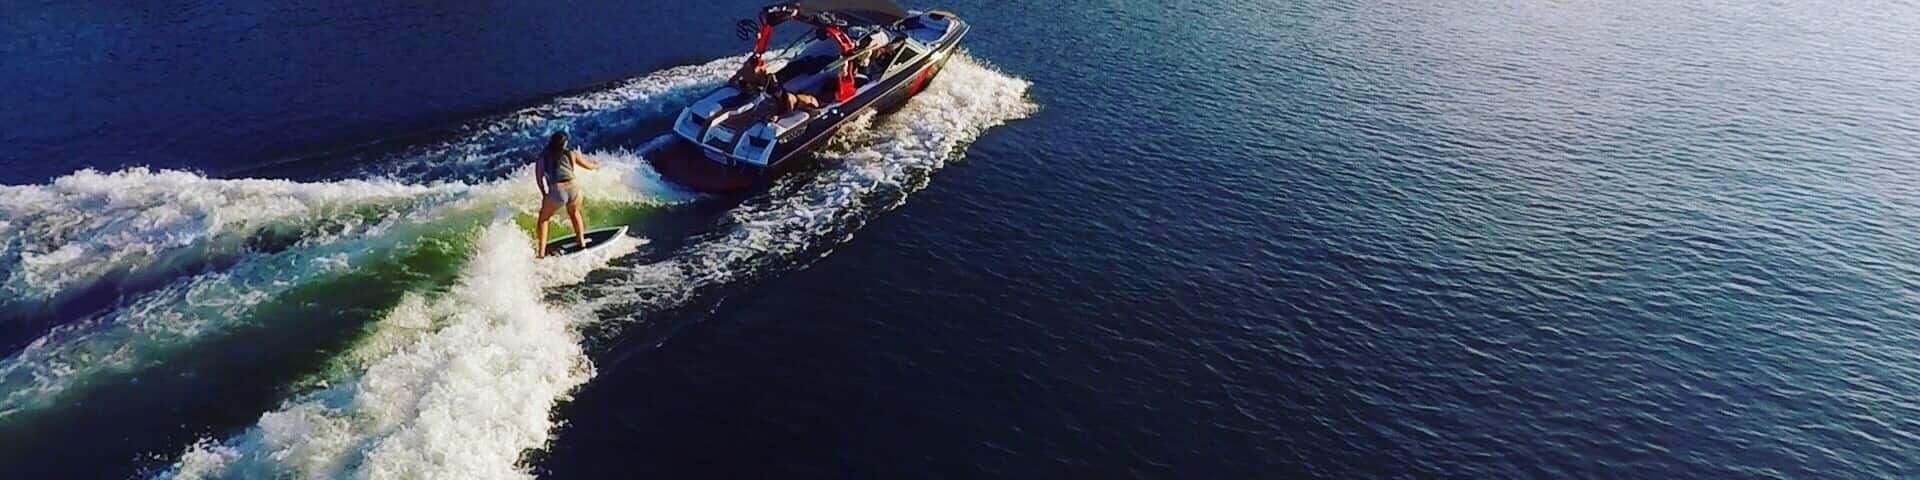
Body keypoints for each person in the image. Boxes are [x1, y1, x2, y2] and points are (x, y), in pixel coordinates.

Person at [534, 131, 599, 258]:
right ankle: (581, 243)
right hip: (574, 188)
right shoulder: (571, 153)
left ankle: (541, 254)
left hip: (557, 191)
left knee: (543, 220)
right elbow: (589, 166)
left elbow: (539, 178)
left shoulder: (542, 158)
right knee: (574, 213)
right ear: (564, 143)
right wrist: (596, 165)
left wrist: (544, 194)